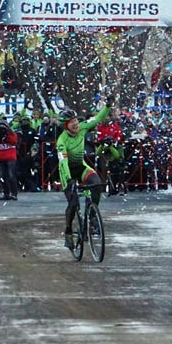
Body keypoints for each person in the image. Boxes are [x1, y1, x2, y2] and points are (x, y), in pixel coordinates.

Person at [57, 100, 112, 249]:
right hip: (67, 171)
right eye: (71, 122)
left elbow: (97, 119)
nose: (75, 124)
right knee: (73, 203)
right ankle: (68, 231)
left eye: (75, 120)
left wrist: (108, 106)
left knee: (96, 183)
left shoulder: (82, 128)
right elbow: (63, 163)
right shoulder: (62, 140)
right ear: (65, 126)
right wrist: (68, 180)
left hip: (81, 167)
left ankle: (93, 216)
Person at [0, 119, 18, 200]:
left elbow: (14, 141)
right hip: (1, 158)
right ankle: (6, 193)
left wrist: (6, 136)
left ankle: (14, 193)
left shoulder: (12, 133)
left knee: (11, 176)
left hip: (11, 158)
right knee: (2, 177)